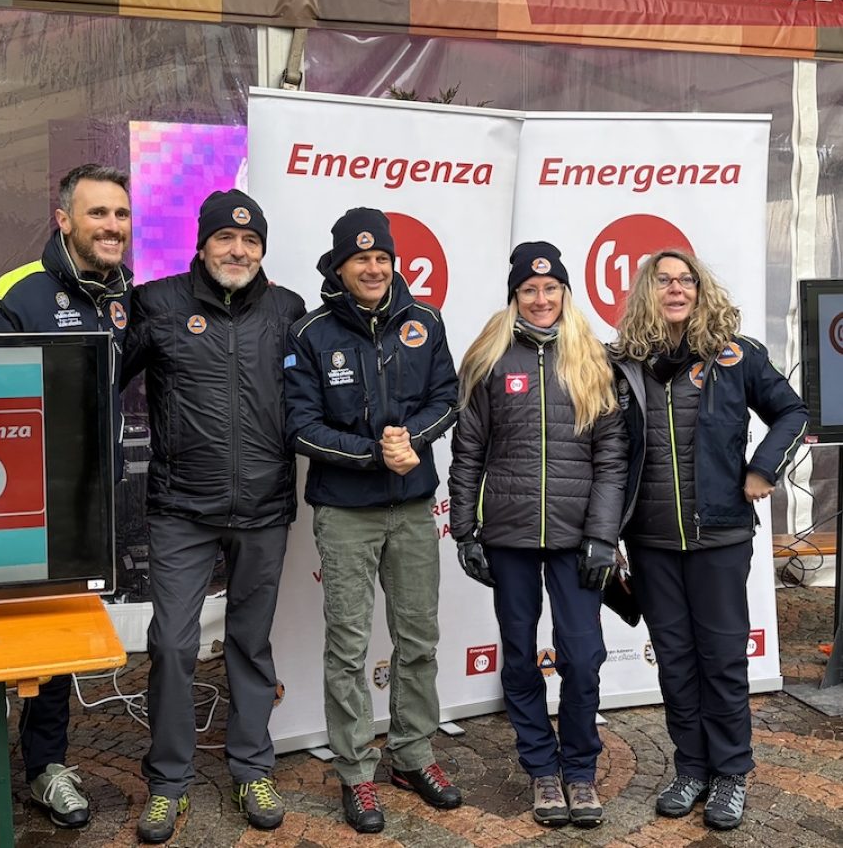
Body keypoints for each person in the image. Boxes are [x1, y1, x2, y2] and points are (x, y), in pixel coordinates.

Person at [0, 163, 133, 828]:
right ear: (64, 221)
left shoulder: (123, 298)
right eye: (98, 214)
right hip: (14, 506)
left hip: (86, 505)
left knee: (57, 637)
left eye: (120, 214)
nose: (113, 226)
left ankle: (46, 765)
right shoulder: (10, 296)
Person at [121, 189, 305, 844]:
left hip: (263, 507)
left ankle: (252, 766)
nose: (238, 250)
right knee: (172, 643)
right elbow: (103, 378)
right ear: (202, 244)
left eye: (250, 240)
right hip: (181, 507)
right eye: (226, 238)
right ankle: (169, 781)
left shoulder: (287, 309)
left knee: (249, 643)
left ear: (262, 249)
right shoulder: (158, 303)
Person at [611, 250, 807, 831]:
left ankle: (730, 773)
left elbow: (793, 412)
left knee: (721, 660)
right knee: (674, 660)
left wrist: (763, 468)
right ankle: (690, 767)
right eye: (664, 281)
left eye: (686, 280)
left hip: (719, 535)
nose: (676, 289)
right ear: (649, 291)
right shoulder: (625, 362)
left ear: (700, 289)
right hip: (649, 539)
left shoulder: (735, 354)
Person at [284, 207, 462, 834]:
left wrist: (411, 439)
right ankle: (357, 773)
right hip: (346, 514)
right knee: (350, 648)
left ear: (393, 263)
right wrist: (371, 454)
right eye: (359, 258)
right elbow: (300, 425)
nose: (372, 267)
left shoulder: (425, 322)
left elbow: (449, 397)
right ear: (338, 266)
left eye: (381, 257)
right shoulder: (310, 333)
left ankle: (412, 756)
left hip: (414, 509)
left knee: (418, 642)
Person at [448, 242, 627, 829]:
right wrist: (466, 530)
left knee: (583, 656)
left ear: (565, 294)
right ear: (515, 296)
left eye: (551, 289)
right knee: (520, 657)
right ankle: (542, 771)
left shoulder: (592, 358)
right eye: (530, 290)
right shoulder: (491, 357)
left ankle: (579, 770)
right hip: (509, 535)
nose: (541, 298)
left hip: (579, 539)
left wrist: (603, 536)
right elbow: (468, 448)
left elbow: (612, 454)